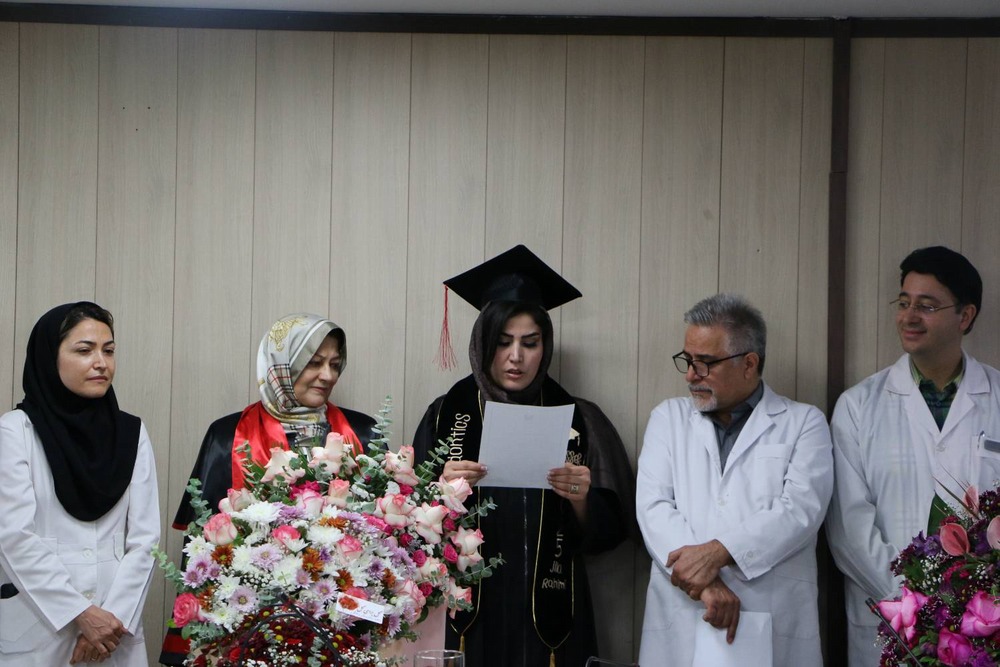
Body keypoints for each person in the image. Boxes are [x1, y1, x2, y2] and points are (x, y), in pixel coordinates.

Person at [412, 245, 635, 667]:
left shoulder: (578, 418)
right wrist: (440, 494)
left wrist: (581, 499)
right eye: (502, 342)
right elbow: (409, 528)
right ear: (483, 343)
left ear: (545, 347)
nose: (516, 357)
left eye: (530, 343)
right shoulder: (445, 416)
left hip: (549, 611)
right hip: (470, 612)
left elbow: (611, 534)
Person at [159, 313, 378, 665]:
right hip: (248, 629)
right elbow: (201, 547)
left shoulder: (363, 434)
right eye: (314, 362)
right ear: (282, 365)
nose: (328, 375)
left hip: (343, 628)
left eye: (335, 364)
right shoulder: (228, 436)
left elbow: (382, 545)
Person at [636, 293, 833, 667]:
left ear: (749, 363)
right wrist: (706, 583)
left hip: (772, 615)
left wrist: (721, 551)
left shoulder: (803, 423)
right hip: (685, 611)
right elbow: (653, 508)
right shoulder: (668, 418)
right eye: (688, 360)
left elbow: (800, 511)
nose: (690, 375)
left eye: (705, 363)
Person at [826, 246, 1000, 666]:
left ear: (965, 316)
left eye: (927, 305)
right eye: (904, 303)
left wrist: (975, 601)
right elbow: (849, 526)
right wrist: (912, 600)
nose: (909, 316)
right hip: (890, 620)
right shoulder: (858, 406)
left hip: (985, 625)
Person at [0, 302, 160, 666]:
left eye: (109, 350)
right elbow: (13, 536)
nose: (101, 362)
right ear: (49, 357)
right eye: (84, 350)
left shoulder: (131, 432)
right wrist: (80, 613)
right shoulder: (15, 431)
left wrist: (111, 621)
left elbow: (145, 538)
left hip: (116, 629)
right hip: (41, 628)